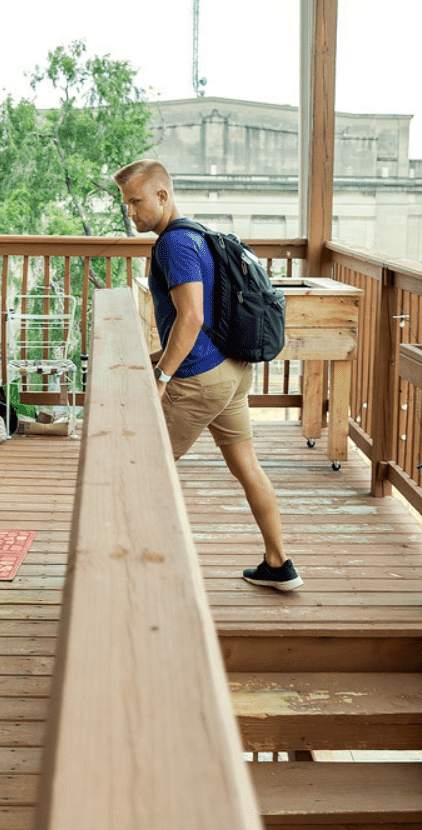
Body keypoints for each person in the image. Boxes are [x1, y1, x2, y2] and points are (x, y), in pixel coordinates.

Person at [113, 159, 301, 592]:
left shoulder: (172, 245)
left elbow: (192, 317)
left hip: (199, 380)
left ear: (162, 196)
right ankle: (279, 565)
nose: (131, 212)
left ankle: (142, 575)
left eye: (136, 202)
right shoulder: (196, 234)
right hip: (231, 370)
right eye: (127, 204)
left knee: (140, 467)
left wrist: (161, 375)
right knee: (247, 467)